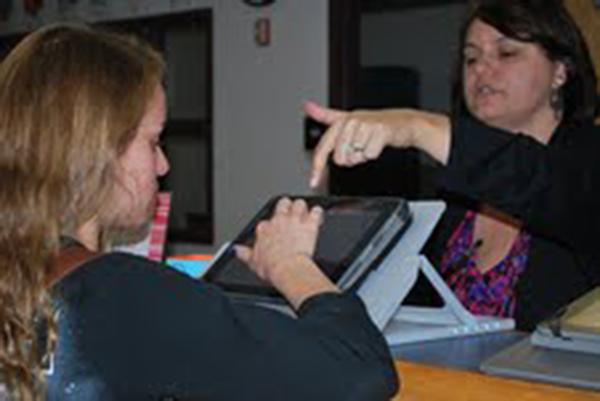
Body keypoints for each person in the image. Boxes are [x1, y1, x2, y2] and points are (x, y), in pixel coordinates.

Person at [0, 24, 399, 401]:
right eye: (153, 141)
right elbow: (359, 373)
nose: (163, 165)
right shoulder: (121, 292)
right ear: (97, 150)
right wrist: (291, 264)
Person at [306, 0, 600, 331]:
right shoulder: (458, 190)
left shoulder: (588, 160)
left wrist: (417, 126)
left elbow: (537, 181)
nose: (481, 70)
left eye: (506, 53)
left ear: (560, 70)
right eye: (471, 58)